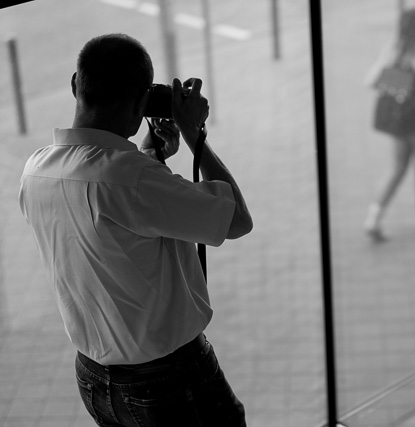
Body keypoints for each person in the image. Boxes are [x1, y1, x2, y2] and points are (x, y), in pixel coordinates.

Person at [18, 33, 252, 426]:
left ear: (76, 84)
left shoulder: (35, 170)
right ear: (143, 101)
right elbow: (237, 221)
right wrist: (194, 134)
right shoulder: (134, 180)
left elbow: (106, 217)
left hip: (93, 378)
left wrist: (147, 155)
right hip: (166, 380)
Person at [363, 6, 415, 241]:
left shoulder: (392, 48)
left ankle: (373, 217)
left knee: (397, 169)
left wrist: (398, 84)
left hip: (399, 123)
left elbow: (370, 80)